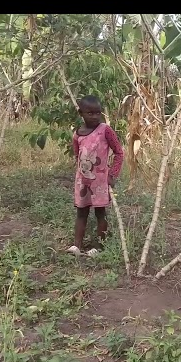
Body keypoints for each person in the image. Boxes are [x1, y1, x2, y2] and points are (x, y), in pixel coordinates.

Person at [66, 95, 124, 257]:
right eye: (90, 113)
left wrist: (112, 174)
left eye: (98, 113)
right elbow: (78, 156)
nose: (95, 116)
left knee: (100, 213)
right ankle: (76, 246)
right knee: (81, 213)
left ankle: (99, 247)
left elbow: (119, 152)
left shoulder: (105, 130)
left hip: (100, 182)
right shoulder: (77, 134)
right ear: (81, 113)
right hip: (83, 182)